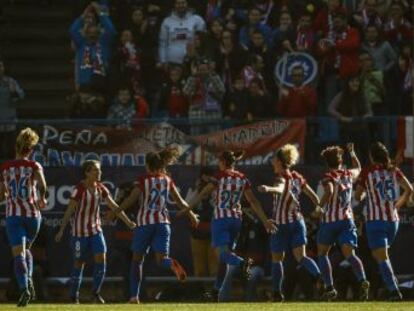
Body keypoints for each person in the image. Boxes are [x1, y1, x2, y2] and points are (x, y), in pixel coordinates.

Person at [184, 151, 276, 302]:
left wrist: (187, 209)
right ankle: (215, 292)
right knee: (223, 261)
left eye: (219, 161)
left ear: (222, 161)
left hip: (221, 219)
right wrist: (265, 220)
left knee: (222, 255)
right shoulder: (242, 178)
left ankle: (243, 263)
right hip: (236, 220)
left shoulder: (218, 177)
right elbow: (253, 201)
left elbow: (202, 194)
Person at [113, 149, 199, 304]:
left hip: (145, 224)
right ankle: (171, 263)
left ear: (147, 165)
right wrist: (191, 214)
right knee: (161, 260)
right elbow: (180, 201)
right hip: (163, 223)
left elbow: (132, 198)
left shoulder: (143, 180)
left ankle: (134, 297)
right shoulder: (167, 179)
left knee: (137, 261)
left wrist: (116, 210)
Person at [55, 160, 135, 304]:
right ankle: (74, 296)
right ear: (87, 172)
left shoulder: (101, 188)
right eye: (95, 170)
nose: (99, 173)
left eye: (99, 170)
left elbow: (114, 205)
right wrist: (61, 229)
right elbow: (69, 211)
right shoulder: (79, 189)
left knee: (101, 260)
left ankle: (95, 293)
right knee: (79, 262)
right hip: (79, 235)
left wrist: (128, 221)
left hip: (96, 231)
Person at [258, 144, 322, 302]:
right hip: (298, 222)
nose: (272, 161)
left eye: (274, 159)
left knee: (277, 259)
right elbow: (314, 197)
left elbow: (280, 189)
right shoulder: (297, 177)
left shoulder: (280, 178)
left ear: (280, 161)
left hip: (281, 225)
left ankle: (276, 293)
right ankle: (322, 280)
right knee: (301, 257)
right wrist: (318, 209)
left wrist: (268, 189)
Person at [355, 142, 413, 301]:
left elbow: (357, 196)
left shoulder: (367, 171)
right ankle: (391, 286)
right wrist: (398, 205)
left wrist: (362, 194)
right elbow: (410, 190)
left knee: (381, 257)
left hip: (375, 221)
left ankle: (394, 290)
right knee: (380, 255)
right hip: (393, 221)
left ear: (372, 156)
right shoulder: (394, 171)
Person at [0, 128, 47, 307]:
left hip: (14, 216)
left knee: (18, 253)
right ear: (31, 149)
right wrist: (43, 198)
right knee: (26, 250)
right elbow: (43, 187)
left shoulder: (5, 167)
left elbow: (2, 194)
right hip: (33, 216)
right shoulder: (35, 166)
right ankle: (28, 283)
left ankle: (24, 287)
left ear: (15, 147)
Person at [317, 143, 370, 300]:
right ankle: (362, 280)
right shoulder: (348, 174)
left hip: (330, 221)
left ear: (327, 163)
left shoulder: (327, 177)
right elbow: (358, 168)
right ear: (340, 160)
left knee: (322, 253)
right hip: (347, 220)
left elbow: (329, 191)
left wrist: (319, 207)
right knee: (350, 255)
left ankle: (329, 287)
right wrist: (352, 153)